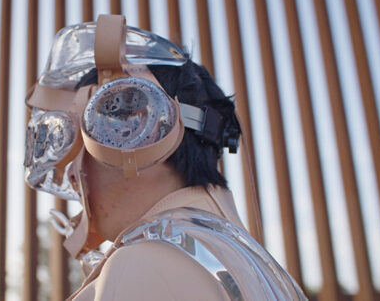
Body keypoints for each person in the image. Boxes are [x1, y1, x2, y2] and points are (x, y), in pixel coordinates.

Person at [25, 15, 306, 300]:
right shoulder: (241, 261)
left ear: (143, 132)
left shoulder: (144, 264)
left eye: (92, 131)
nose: (71, 174)